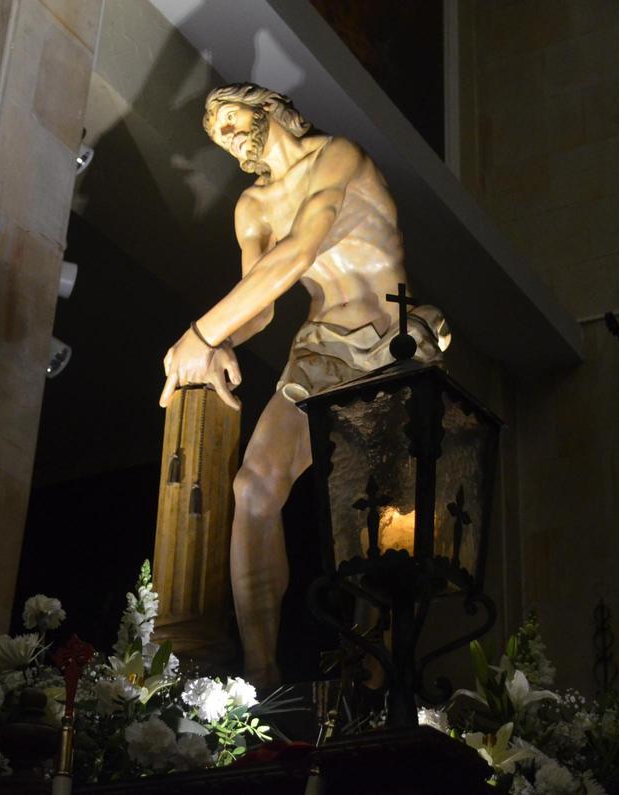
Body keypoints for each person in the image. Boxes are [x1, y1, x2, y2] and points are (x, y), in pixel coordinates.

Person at [160, 83, 447, 686]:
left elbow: (300, 250)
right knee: (253, 487)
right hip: (317, 349)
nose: (228, 137)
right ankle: (259, 680)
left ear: (267, 108)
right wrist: (222, 346)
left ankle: (378, 677)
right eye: (218, 135)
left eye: (232, 121)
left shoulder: (338, 155)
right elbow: (264, 305)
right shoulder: (252, 206)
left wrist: (202, 334)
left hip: (390, 342)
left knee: (379, 513)